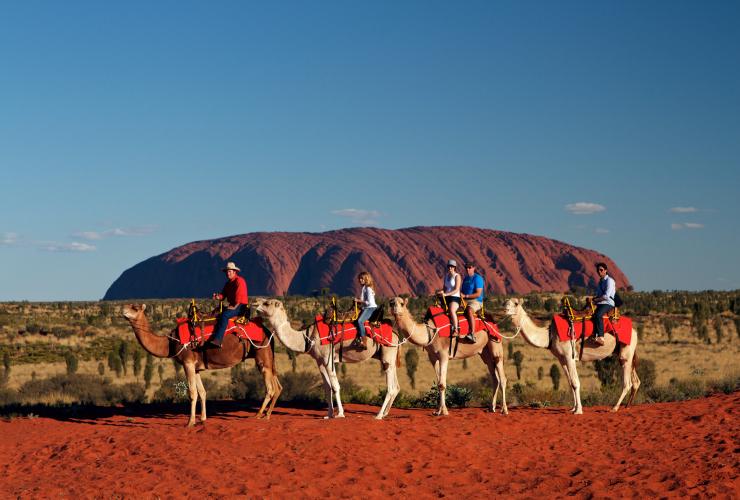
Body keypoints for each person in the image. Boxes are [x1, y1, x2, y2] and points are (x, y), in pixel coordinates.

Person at [207, 262, 248, 348]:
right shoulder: (228, 283)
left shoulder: (239, 281)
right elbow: (223, 295)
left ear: (234, 272)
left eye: (229, 271)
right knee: (216, 313)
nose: (227, 273)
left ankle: (218, 340)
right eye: (226, 271)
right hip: (234, 305)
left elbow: (239, 298)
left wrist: (232, 307)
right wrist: (218, 296)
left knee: (224, 315)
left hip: (241, 306)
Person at [591, 262, 616, 346]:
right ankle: (594, 334)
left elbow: (606, 296)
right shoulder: (600, 282)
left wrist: (595, 300)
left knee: (598, 315)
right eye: (598, 270)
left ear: (606, 270)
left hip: (608, 303)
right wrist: (593, 299)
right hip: (600, 303)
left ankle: (601, 337)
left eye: (601, 270)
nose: (599, 272)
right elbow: (599, 295)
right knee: (589, 314)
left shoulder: (610, 281)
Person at [351, 271, 376, 350]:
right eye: (359, 278)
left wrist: (359, 301)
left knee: (360, 321)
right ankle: (358, 336)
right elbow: (362, 299)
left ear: (366, 278)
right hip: (366, 307)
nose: (360, 280)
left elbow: (369, 302)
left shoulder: (368, 289)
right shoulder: (364, 288)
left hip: (370, 308)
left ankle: (364, 342)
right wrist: (357, 300)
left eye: (361, 278)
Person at [436, 259, 462, 337]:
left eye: (452, 266)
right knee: (437, 308)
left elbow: (456, 289)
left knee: (451, 310)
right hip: (446, 297)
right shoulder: (446, 277)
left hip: (455, 297)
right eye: (449, 266)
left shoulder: (457, 276)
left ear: (454, 267)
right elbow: (444, 289)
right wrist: (441, 292)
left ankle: (456, 330)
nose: (450, 268)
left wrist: (446, 294)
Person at [460, 262, 484, 342]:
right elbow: (462, 291)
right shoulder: (466, 279)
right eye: (466, 267)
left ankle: (472, 334)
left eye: (469, 267)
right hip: (464, 301)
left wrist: (466, 296)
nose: (467, 269)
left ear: (474, 268)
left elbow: (478, 294)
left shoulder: (478, 278)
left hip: (476, 301)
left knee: (469, 310)